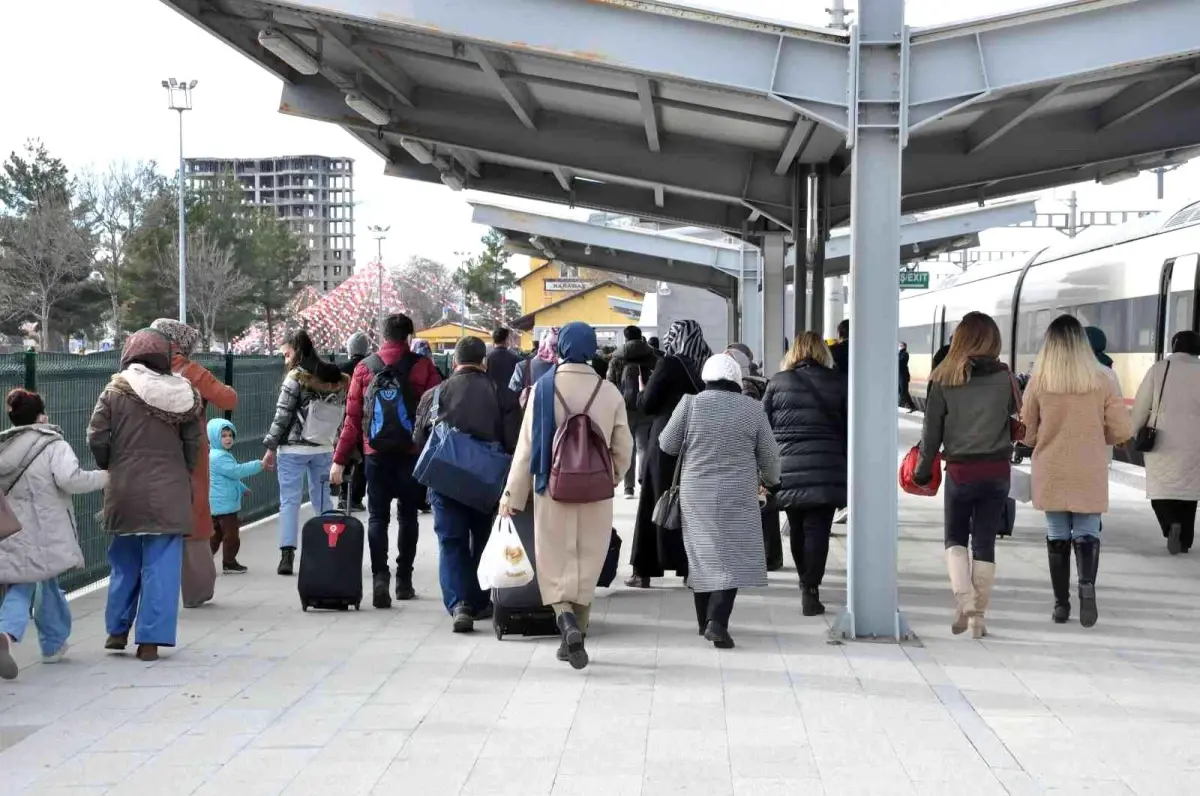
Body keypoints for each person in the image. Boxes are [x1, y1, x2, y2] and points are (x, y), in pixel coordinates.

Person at [500, 322, 632, 669]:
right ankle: (579, 631)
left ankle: (565, 623)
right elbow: (624, 447)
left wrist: (513, 495)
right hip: (596, 491)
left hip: (551, 488)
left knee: (554, 558)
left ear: (560, 347)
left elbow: (526, 448)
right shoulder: (609, 391)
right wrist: (612, 477)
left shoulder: (544, 388)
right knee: (588, 557)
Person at [88, 329, 204, 662]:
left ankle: (116, 630)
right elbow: (193, 444)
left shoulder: (114, 391)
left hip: (125, 489)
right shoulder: (184, 394)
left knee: (124, 563)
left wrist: (111, 464)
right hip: (170, 490)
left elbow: (97, 436)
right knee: (162, 566)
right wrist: (181, 471)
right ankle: (150, 642)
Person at [659, 353, 780, 649]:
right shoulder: (753, 409)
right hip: (737, 492)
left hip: (696, 493)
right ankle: (717, 621)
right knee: (733, 557)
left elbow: (667, 444)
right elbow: (770, 457)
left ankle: (705, 623)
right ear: (737, 380)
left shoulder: (689, 403)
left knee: (702, 555)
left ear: (707, 378)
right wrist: (772, 480)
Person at [1021, 314, 1132, 628]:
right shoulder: (1103, 377)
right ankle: (1086, 585)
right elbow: (1120, 430)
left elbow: (1026, 433)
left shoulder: (1040, 379)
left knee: (1057, 534)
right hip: (1090, 466)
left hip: (1052, 466)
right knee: (1087, 532)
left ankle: (1060, 604)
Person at [913, 313, 1016, 639]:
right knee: (984, 542)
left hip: (960, 470)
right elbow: (1016, 419)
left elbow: (931, 434)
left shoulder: (943, 378)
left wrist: (921, 470)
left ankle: (965, 599)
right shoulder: (1006, 378)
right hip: (997, 470)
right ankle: (977, 619)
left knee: (955, 539)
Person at [332, 314, 441, 607]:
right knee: (408, 516)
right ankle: (404, 580)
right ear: (409, 336)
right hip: (411, 454)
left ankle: (381, 577)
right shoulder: (424, 367)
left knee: (378, 517)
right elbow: (435, 416)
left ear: (382, 335)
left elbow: (352, 419)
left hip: (375, 454)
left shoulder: (364, 368)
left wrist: (339, 460)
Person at [414, 336, 521, 632]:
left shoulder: (434, 395)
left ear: (455, 362)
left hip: (445, 481)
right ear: (484, 362)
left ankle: (459, 604)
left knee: (451, 542)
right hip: (487, 484)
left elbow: (419, 441)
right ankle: (480, 600)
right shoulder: (503, 395)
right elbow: (515, 445)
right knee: (485, 541)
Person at [0, 390, 107, 679]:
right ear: (42, 415)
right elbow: (70, 479)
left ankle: (52, 644)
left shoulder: (5, 446)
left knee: (36, 583)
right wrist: (105, 477)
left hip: (10, 531)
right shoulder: (52, 444)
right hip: (44, 532)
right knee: (26, 586)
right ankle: (8, 634)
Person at [151, 318, 238, 610]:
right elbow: (228, 398)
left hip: (151, 455)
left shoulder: (136, 372)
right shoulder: (190, 371)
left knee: (156, 524)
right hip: (190, 455)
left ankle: (155, 594)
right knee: (195, 518)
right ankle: (195, 591)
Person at [763, 332, 848, 616]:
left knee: (797, 527)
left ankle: (805, 583)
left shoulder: (777, 382)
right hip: (827, 466)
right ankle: (810, 588)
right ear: (823, 352)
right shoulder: (838, 381)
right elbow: (849, 427)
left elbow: (764, 428)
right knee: (818, 530)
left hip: (787, 467)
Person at [628, 319, 710, 588]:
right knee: (692, 505)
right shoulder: (707, 361)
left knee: (655, 499)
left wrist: (642, 389)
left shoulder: (670, 363)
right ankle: (691, 569)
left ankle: (644, 571)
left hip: (665, 441)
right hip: (698, 439)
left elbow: (647, 404)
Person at [264, 329, 350, 578]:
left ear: (297, 352)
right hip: (324, 445)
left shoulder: (296, 377)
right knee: (323, 500)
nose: (285, 359)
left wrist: (270, 447)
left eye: (286, 354)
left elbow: (282, 416)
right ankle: (330, 549)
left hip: (293, 448)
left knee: (290, 501)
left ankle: (287, 555)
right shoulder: (336, 378)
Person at [1131, 330, 1200, 555]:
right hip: (1194, 441)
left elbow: (1141, 406)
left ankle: (1170, 525)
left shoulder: (1160, 369)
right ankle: (1185, 541)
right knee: (1189, 493)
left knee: (1161, 490)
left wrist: (1131, 432)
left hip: (1160, 439)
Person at [207, 418, 267, 574]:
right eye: (224, 435)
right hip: (226, 506)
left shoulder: (213, 454)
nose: (228, 439)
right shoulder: (220, 457)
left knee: (216, 535)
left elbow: (228, 478)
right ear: (214, 437)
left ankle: (203, 561)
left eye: (230, 435)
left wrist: (242, 488)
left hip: (216, 505)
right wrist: (258, 464)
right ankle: (229, 562)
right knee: (232, 535)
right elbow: (236, 471)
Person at [606, 325, 658, 499]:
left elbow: (610, 383)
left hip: (625, 408)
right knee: (644, 446)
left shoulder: (617, 358)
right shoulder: (652, 356)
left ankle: (629, 488)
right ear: (641, 336)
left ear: (625, 338)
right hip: (647, 407)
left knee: (629, 447)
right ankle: (644, 482)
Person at [338, 332, 372, 513]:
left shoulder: (341, 369)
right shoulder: (370, 367)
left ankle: (343, 494)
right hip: (364, 420)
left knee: (344, 456)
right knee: (362, 460)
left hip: (343, 419)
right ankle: (355, 498)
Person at [508, 327, 559, 396]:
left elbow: (513, 390)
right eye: (554, 346)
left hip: (530, 405)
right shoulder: (565, 368)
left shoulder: (522, 366)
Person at [485, 327, 521, 397]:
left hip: (493, 398)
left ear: (494, 340)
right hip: (511, 399)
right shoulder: (515, 358)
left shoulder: (487, 359)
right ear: (506, 339)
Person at [899, 342, 916, 411]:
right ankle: (904, 404)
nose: (899, 347)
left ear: (904, 346)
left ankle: (910, 405)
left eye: (900, 346)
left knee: (904, 391)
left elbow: (901, 362)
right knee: (900, 390)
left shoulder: (905, 354)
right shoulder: (899, 354)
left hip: (903, 375)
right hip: (900, 374)